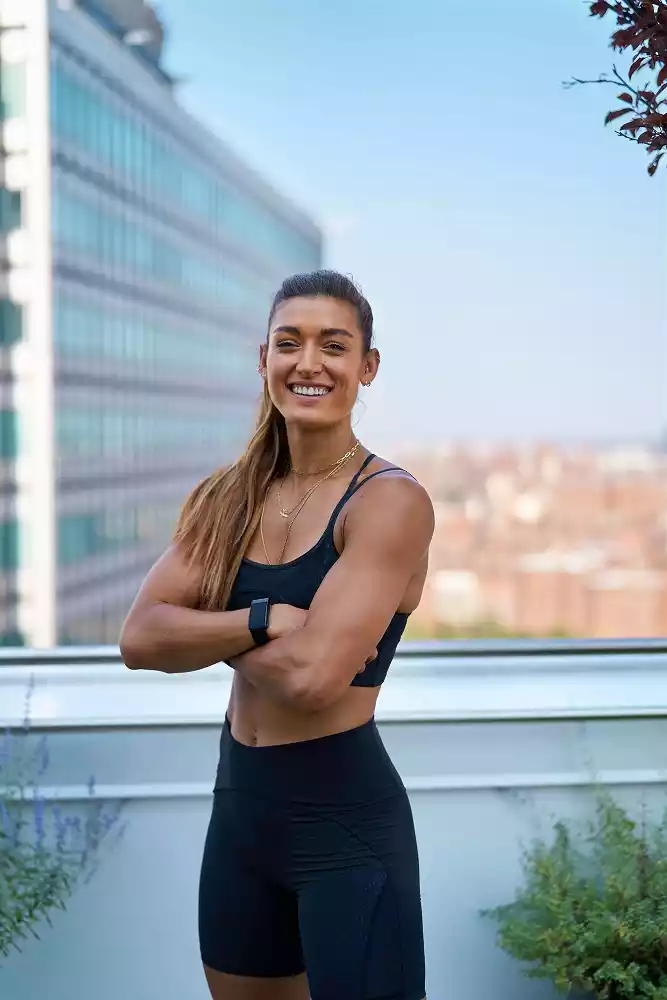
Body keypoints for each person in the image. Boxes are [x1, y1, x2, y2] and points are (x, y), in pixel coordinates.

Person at [120, 269, 435, 1000]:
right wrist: (261, 618)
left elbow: (314, 679)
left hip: (344, 827)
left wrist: (204, 631)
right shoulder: (230, 497)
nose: (308, 363)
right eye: (289, 343)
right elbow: (139, 638)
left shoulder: (388, 503)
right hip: (239, 816)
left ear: (367, 367)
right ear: (262, 358)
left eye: (334, 345)